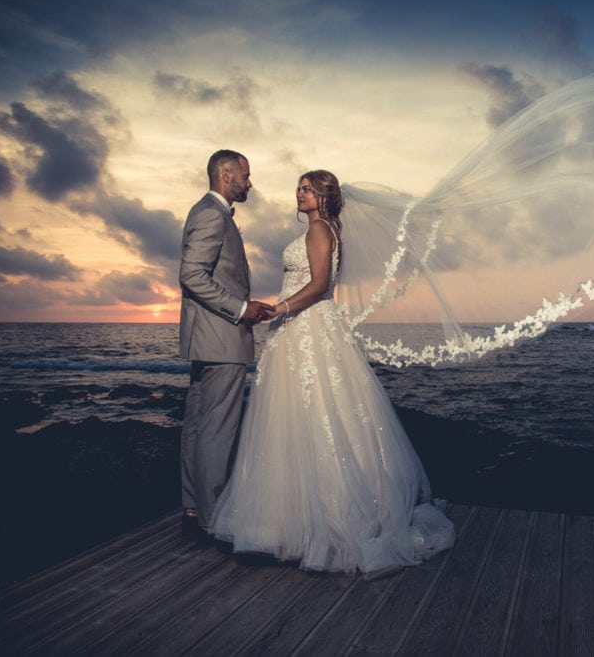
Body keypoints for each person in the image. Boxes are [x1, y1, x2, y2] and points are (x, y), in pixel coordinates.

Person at [209, 170, 455, 575]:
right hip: (303, 328)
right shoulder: (321, 229)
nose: (299, 193)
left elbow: (320, 285)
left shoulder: (319, 230)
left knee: (315, 414)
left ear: (324, 196)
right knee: (305, 417)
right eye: (299, 188)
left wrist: (282, 309)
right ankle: (292, 519)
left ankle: (321, 520)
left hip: (306, 326)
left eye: (306, 188)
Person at [178, 150, 273, 539]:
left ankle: (192, 508)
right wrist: (241, 309)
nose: (249, 183)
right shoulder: (212, 214)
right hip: (222, 339)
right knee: (216, 430)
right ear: (226, 174)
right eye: (246, 176)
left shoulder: (205, 211)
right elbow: (192, 275)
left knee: (198, 427)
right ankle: (213, 519)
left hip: (206, 340)